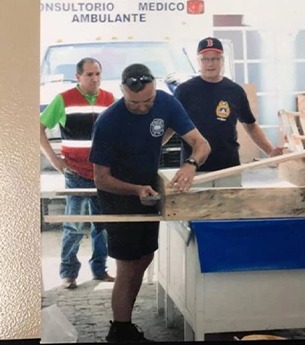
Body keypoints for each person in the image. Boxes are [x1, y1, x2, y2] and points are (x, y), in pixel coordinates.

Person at [89, 63, 211, 342]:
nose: (144, 107)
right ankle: (119, 330)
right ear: (121, 90)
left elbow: (201, 143)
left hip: (147, 190)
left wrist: (191, 164)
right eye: (136, 103)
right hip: (119, 196)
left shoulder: (166, 102)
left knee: (145, 256)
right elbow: (101, 179)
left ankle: (124, 324)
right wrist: (135, 190)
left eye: (149, 100)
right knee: (128, 265)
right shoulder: (109, 121)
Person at [40, 57, 115, 289]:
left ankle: (100, 270)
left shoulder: (109, 99)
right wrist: (56, 161)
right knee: (73, 225)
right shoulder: (63, 99)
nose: (95, 79)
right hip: (75, 173)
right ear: (78, 76)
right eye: (89, 74)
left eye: (98, 74)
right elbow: (39, 128)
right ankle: (68, 273)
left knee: (101, 225)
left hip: (102, 173)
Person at [173, 36, 283, 186]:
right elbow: (170, 124)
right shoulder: (184, 91)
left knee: (231, 208)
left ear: (222, 61)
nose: (211, 63)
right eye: (205, 59)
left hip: (228, 168)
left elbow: (250, 125)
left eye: (215, 59)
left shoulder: (235, 91)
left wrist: (270, 151)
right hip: (195, 169)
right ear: (198, 61)